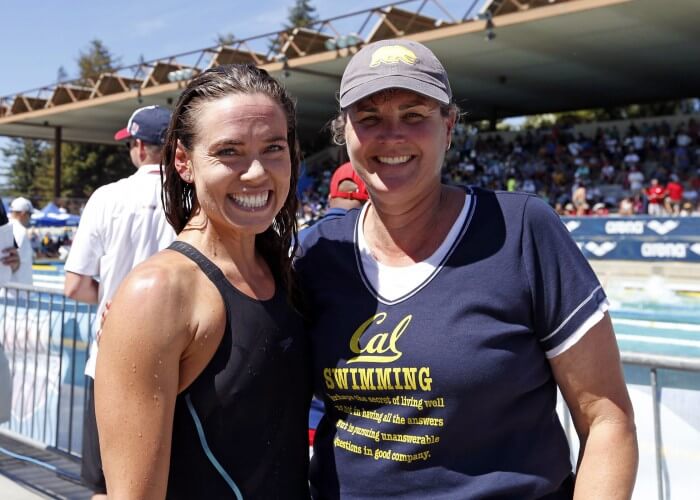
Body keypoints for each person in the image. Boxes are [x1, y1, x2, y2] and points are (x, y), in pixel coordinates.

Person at [296, 39, 637, 499]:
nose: (391, 135)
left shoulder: (519, 230)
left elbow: (606, 417)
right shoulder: (318, 253)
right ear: (346, 133)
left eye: (414, 115)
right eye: (369, 118)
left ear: (449, 126)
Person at [95, 65, 310, 499]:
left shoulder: (280, 271)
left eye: (273, 148)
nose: (256, 173)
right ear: (183, 161)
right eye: (229, 151)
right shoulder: (160, 293)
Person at [64, 105, 175, 499]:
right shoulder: (194, 197)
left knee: (106, 487)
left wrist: (119, 301)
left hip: (110, 357)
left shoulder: (107, 197)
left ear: (141, 148)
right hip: (180, 364)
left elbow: (75, 286)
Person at [299, 162, 369, 448]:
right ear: (368, 200)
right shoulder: (377, 247)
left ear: (329, 197)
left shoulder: (298, 241)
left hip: (300, 419)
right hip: (357, 427)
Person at [2, 197, 34, 286]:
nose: (30, 218)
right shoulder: (20, 230)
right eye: (30, 214)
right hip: (17, 294)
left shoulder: (6, 228)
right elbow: (9, 263)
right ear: (23, 214)